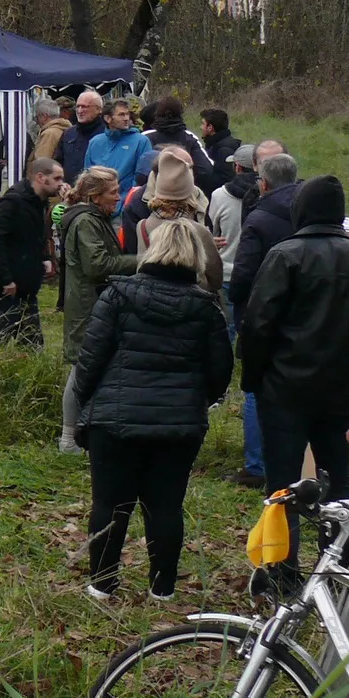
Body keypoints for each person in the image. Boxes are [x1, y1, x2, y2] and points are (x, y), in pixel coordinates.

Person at [72, 218, 235, 601]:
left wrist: (89, 402)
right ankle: (162, 589)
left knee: (110, 504)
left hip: (115, 416)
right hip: (178, 422)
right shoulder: (207, 307)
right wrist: (195, 400)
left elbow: (89, 360)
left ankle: (102, 584)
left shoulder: (117, 295)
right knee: (165, 506)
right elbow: (220, 371)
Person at [240, 175, 349, 508]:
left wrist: (254, 379)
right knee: (339, 484)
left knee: (282, 487)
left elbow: (257, 324)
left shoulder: (286, 255)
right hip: (343, 392)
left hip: (285, 389)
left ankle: (283, 561)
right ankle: (338, 555)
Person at [227, 145, 298, 488]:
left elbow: (243, 273)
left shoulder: (258, 217)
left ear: (264, 184)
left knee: (255, 387)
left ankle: (257, 465)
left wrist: (238, 304)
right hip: (303, 315)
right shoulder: (308, 211)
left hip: (262, 313)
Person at [57, 166, 138, 453]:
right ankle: (68, 439)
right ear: (95, 196)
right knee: (81, 367)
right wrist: (141, 262)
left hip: (94, 301)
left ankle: (83, 432)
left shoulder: (95, 218)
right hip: (86, 305)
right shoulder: (86, 223)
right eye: (114, 192)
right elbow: (97, 266)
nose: (119, 197)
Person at [0, 157, 61, 346]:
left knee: (32, 344)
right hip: (8, 285)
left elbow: (36, 235)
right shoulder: (13, 200)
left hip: (27, 284)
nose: (61, 183)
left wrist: (45, 257)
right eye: (57, 178)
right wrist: (4, 278)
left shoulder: (41, 202)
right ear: (41, 177)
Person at [131, 147, 221, 292]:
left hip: (155, 302)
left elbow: (140, 270)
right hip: (191, 306)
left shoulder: (143, 227)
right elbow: (216, 280)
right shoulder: (199, 230)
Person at [209, 142, 259, 288]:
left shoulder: (219, 195)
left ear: (237, 167)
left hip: (227, 275)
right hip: (260, 274)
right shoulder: (272, 195)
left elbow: (211, 233)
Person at [84, 98, 151, 203]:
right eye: (121, 115)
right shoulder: (95, 142)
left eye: (127, 114)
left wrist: (127, 203)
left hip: (125, 206)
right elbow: (88, 176)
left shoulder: (141, 141)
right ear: (108, 118)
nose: (126, 118)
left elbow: (141, 178)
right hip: (97, 206)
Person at [143, 95, 214, 192]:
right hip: (183, 193)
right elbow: (206, 170)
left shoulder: (145, 138)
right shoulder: (189, 138)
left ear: (157, 115)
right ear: (180, 115)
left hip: (151, 193)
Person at [58, 89, 106, 185]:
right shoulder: (68, 133)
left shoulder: (107, 134)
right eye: (78, 106)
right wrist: (60, 183)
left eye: (84, 107)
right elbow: (58, 161)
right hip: (70, 193)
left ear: (98, 109)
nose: (80, 111)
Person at [31, 97, 70, 164]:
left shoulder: (49, 134)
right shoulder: (63, 129)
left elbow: (41, 163)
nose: (37, 122)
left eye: (37, 117)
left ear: (44, 116)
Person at [200, 108, 240, 173]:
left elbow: (225, 178)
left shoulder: (224, 150)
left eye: (203, 124)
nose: (201, 127)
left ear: (210, 127)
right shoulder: (214, 145)